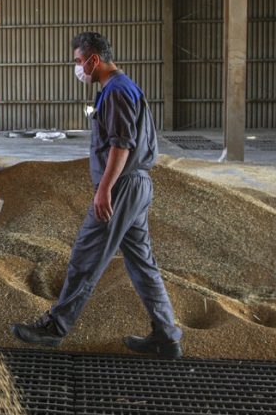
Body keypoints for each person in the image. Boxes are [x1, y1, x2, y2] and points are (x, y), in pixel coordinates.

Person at [10, 31, 183, 358]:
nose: (77, 68)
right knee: (142, 263)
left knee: (85, 257)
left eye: (78, 61)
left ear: (93, 59)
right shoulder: (123, 87)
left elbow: (122, 144)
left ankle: (55, 327)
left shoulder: (116, 91)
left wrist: (104, 189)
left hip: (122, 186)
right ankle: (166, 333)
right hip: (137, 185)